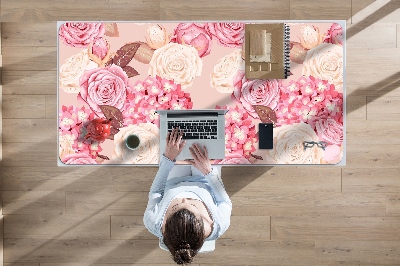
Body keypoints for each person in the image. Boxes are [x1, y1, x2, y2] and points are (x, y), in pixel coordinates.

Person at [144, 127, 232, 264]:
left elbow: (156, 192)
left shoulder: (153, 222)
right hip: (205, 180)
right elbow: (224, 202)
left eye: (176, 206)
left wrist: (168, 159)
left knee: (172, 142)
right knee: (211, 139)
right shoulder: (220, 224)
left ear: (165, 224)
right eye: (192, 205)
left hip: (173, 181)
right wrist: (208, 171)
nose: (184, 198)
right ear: (204, 222)